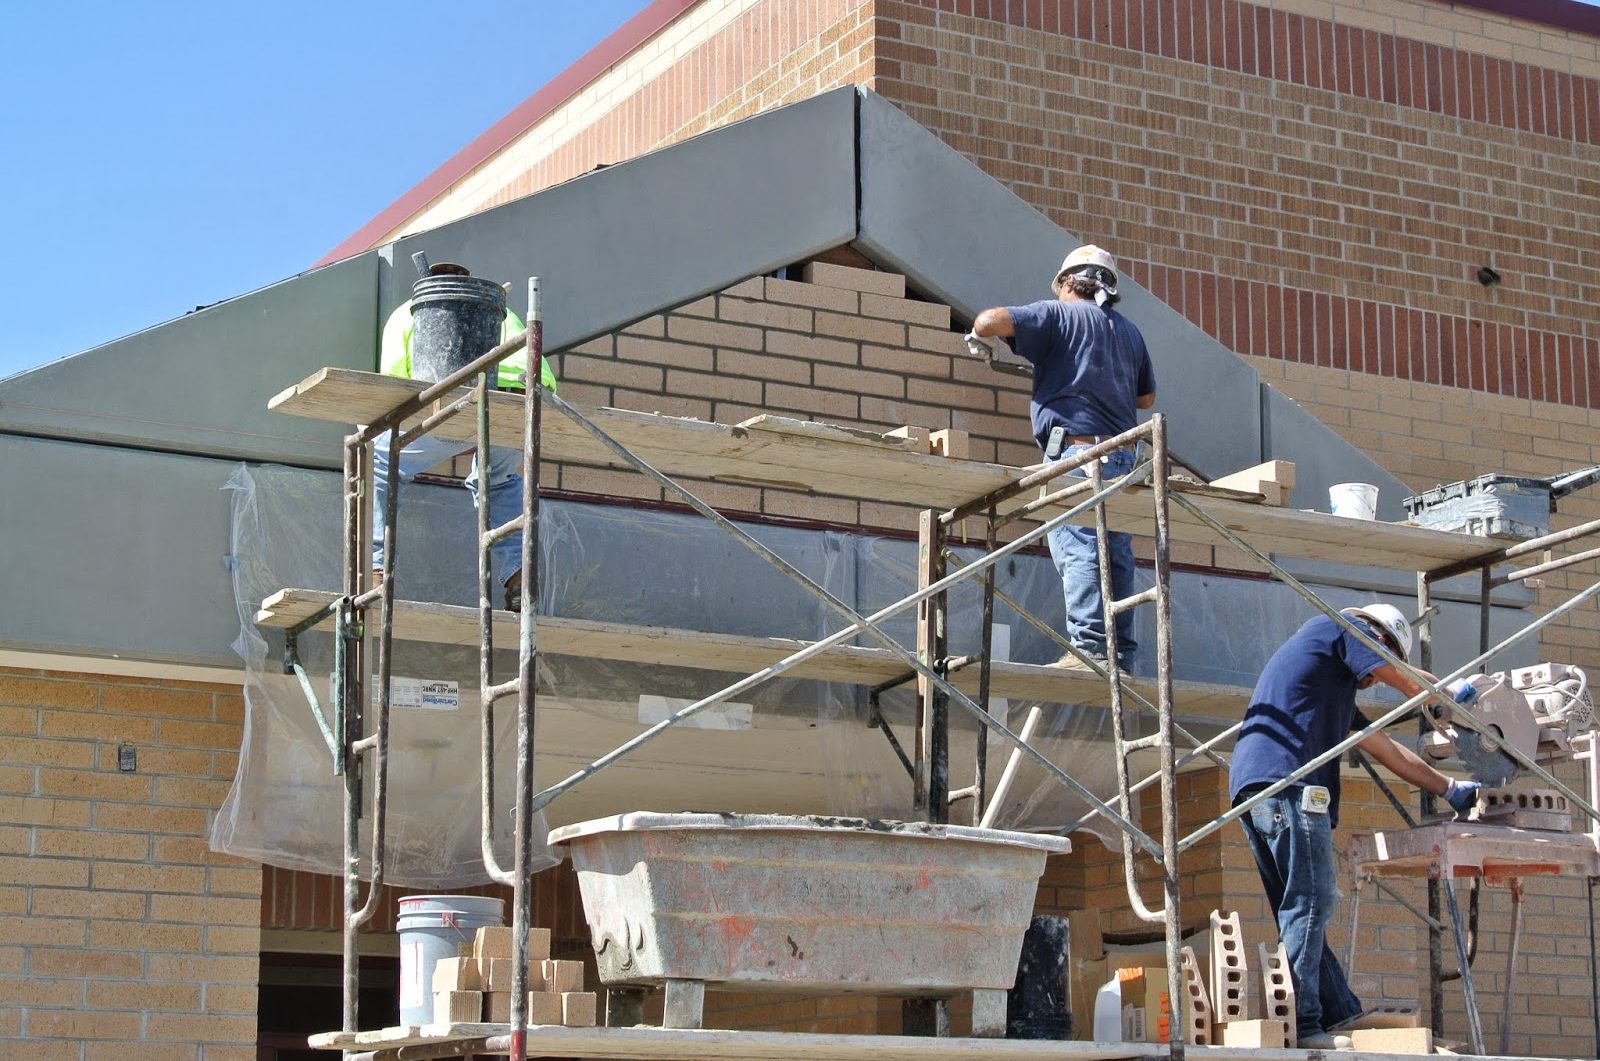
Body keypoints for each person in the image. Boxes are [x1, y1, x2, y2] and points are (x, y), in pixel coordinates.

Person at [1227, 603, 1481, 1051]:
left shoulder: (1331, 685)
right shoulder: (1341, 627)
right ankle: (1302, 1024)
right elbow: (1401, 678)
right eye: (1370, 672)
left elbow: (1385, 748)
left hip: (1255, 787)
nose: (1368, 681)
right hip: (1291, 781)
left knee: (1301, 912)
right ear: (1379, 640)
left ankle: (1340, 1012)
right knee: (1311, 901)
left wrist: (1450, 787)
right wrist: (1445, 694)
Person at [968, 245, 1155, 672]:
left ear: (1069, 282)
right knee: (1115, 550)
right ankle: (1119, 652)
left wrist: (980, 337)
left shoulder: (1059, 314)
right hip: (1121, 456)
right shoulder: (1129, 332)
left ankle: (1090, 650)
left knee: (1082, 548)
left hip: (1078, 453)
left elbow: (989, 319)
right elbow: (1146, 396)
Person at [371, 263, 558, 612]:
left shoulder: (412, 311)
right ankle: (519, 577)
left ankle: (375, 572)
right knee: (498, 479)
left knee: (378, 460)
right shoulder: (498, 308)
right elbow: (538, 370)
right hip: (521, 408)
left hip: (460, 400)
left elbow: (397, 386)